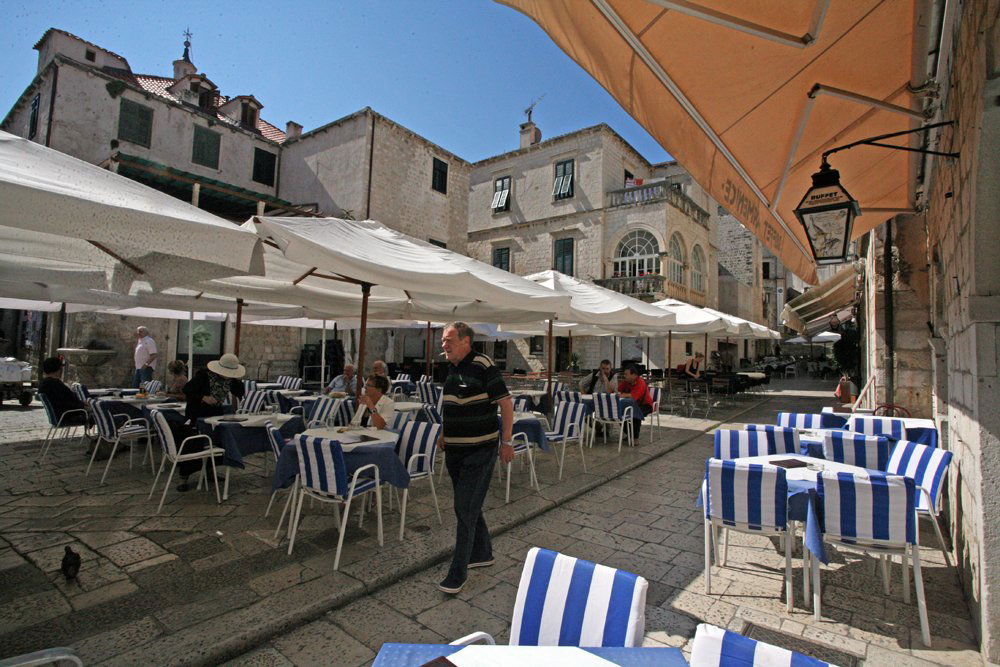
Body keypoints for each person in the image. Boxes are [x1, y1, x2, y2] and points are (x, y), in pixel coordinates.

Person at [438, 322, 513, 594]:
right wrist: (444, 432)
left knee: (464, 508)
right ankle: (483, 553)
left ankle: (458, 571)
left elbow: (505, 403)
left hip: (480, 449)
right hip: (455, 450)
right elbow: (450, 404)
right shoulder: (452, 368)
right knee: (468, 505)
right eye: (443, 340)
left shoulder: (483, 364)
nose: (443, 344)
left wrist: (506, 442)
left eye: (448, 340)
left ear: (466, 341)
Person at [172, 353, 246, 492]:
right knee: (194, 443)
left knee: (217, 441)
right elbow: (188, 390)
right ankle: (184, 477)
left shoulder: (231, 379)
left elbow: (240, 391)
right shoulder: (203, 376)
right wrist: (203, 397)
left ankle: (210, 471)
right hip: (196, 413)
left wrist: (238, 380)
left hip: (215, 413)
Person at [38, 357, 92, 431]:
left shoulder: (45, 384)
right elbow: (66, 402)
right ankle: (103, 439)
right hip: (67, 416)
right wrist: (83, 406)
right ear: (58, 369)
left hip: (61, 415)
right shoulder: (55, 384)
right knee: (101, 414)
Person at [618, 364, 654, 438]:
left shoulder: (640, 382)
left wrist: (624, 395)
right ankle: (630, 434)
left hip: (646, 405)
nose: (624, 376)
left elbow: (634, 396)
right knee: (619, 413)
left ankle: (635, 438)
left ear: (634, 375)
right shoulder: (626, 382)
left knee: (635, 413)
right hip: (631, 404)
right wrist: (624, 394)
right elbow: (618, 391)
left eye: (626, 374)